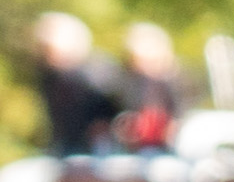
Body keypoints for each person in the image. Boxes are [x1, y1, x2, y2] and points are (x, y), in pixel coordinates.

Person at [21, 15, 119, 158]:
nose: (47, 55)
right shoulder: (50, 76)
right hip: (64, 149)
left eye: (49, 49)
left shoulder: (98, 73)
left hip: (98, 153)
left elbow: (108, 117)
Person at [113, 23, 187, 153]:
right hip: (134, 150)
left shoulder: (177, 83)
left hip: (169, 149)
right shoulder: (125, 84)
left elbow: (181, 115)